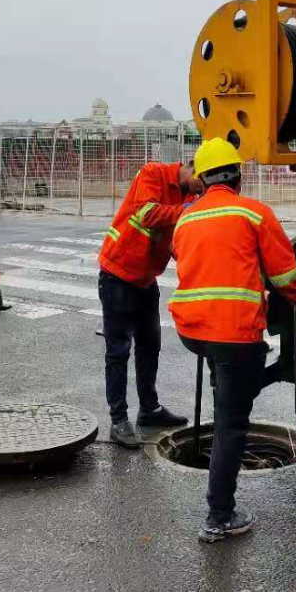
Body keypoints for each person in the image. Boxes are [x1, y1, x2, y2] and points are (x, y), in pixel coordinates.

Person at [169, 139, 296, 542]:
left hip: (193, 331)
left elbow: (194, 264)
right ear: (237, 175)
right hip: (232, 335)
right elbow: (285, 276)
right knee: (231, 425)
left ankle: (247, 381)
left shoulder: (185, 219)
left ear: (200, 179)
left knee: (233, 387)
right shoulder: (253, 213)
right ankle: (219, 516)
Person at [98, 161, 202, 448]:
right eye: (200, 183)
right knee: (118, 351)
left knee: (149, 346)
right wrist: (185, 212)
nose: (201, 191)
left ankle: (149, 410)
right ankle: (119, 421)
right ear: (193, 168)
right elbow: (146, 214)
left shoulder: (188, 199)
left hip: (145, 280)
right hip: (118, 274)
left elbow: (176, 243)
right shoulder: (153, 173)